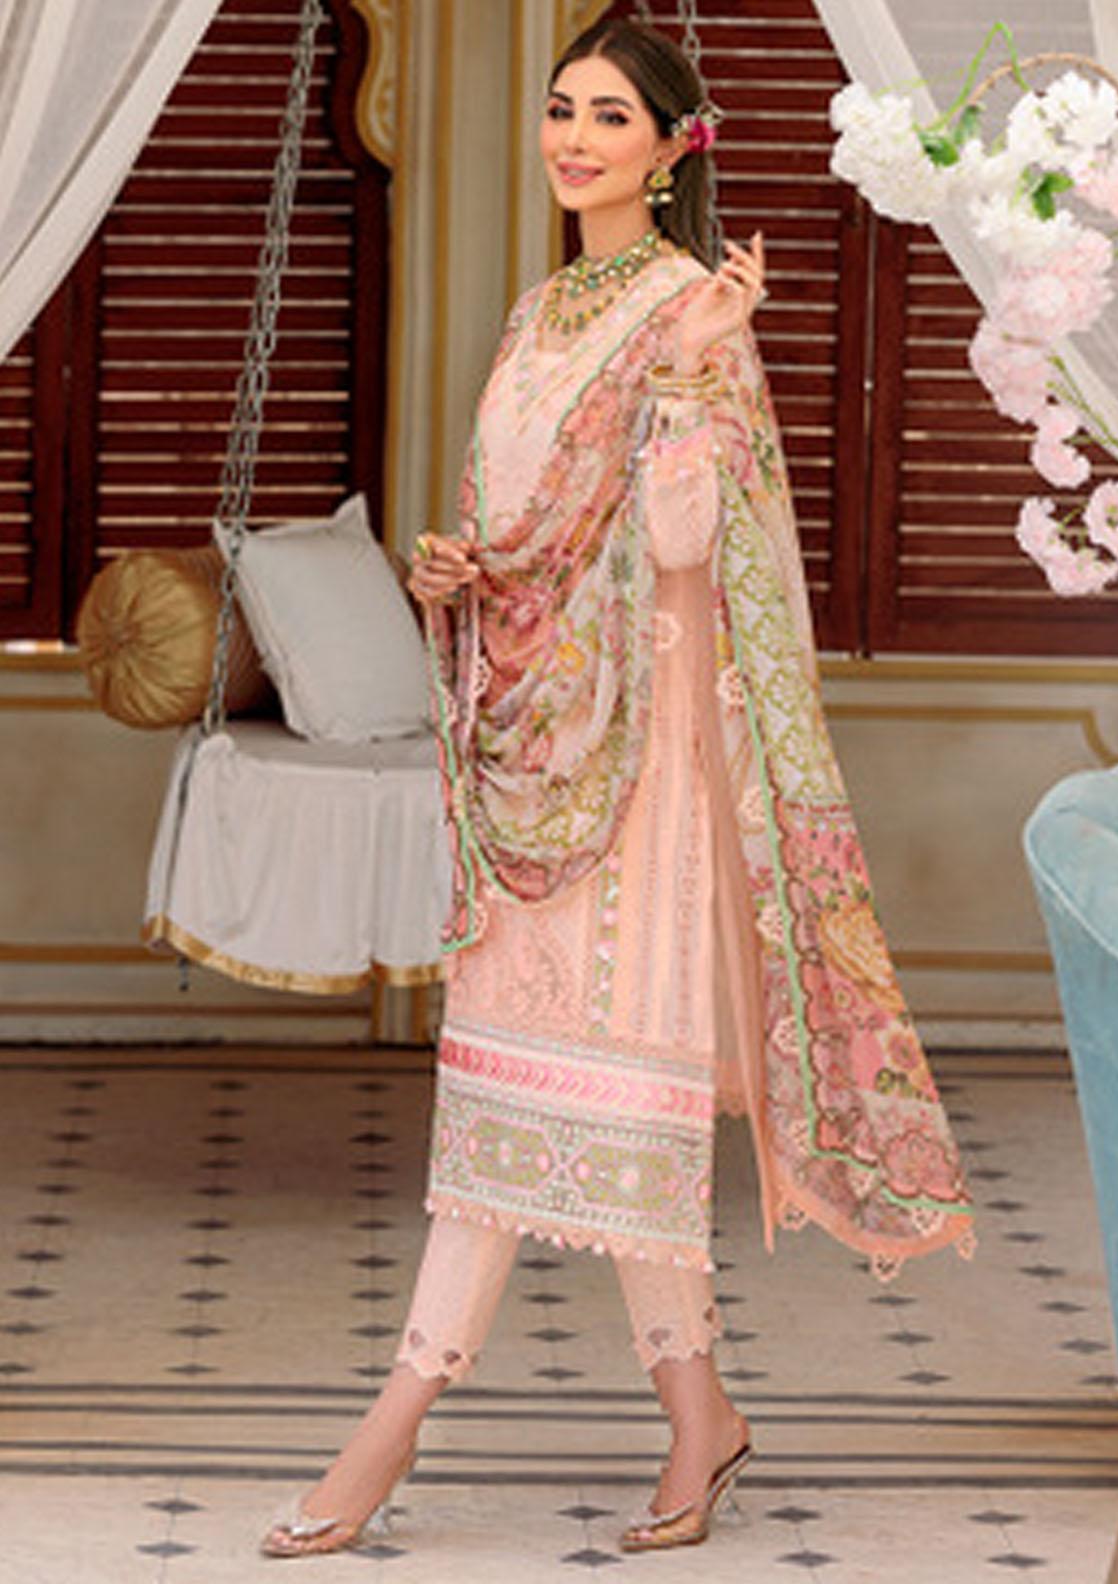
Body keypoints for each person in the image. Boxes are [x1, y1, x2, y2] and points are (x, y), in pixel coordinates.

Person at [261, 16, 974, 1562]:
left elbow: (677, 549)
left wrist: (700, 369)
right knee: (515, 1099)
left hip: (641, 766)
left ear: (668, 148)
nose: (573, 139)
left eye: (607, 117)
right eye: (559, 109)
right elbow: (517, 537)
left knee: (618, 1101)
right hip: (533, 753)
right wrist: (452, 578)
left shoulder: (686, 307)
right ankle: (697, 1417)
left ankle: (397, 1417)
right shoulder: (538, 312)